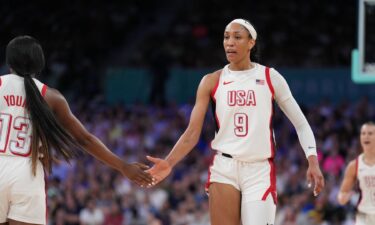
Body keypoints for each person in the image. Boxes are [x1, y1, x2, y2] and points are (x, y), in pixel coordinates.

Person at [146, 18, 325, 225]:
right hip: (225, 166)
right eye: (226, 37)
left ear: (251, 43)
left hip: (259, 169)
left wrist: (312, 160)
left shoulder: (269, 77)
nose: (230, 42)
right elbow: (192, 133)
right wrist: (168, 162)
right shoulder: (211, 80)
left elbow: (301, 124)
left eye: (237, 37)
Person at [0, 36, 153, 225]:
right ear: (39, 64)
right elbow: (85, 140)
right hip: (26, 173)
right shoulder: (51, 96)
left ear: (9, 63)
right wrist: (123, 166)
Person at [337, 122, 375, 225]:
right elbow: (342, 193)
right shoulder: (354, 165)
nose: (366, 136)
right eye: (363, 133)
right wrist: (343, 198)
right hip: (364, 215)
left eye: (370, 133)